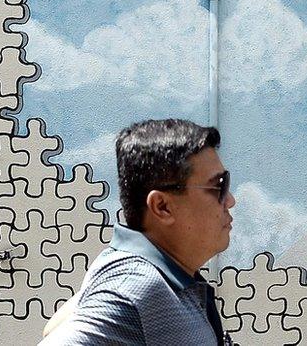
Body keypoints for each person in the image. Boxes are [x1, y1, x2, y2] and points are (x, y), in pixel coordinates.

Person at [41, 119, 236, 345]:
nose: (230, 200)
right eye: (219, 186)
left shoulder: (155, 283)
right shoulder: (136, 286)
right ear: (162, 207)